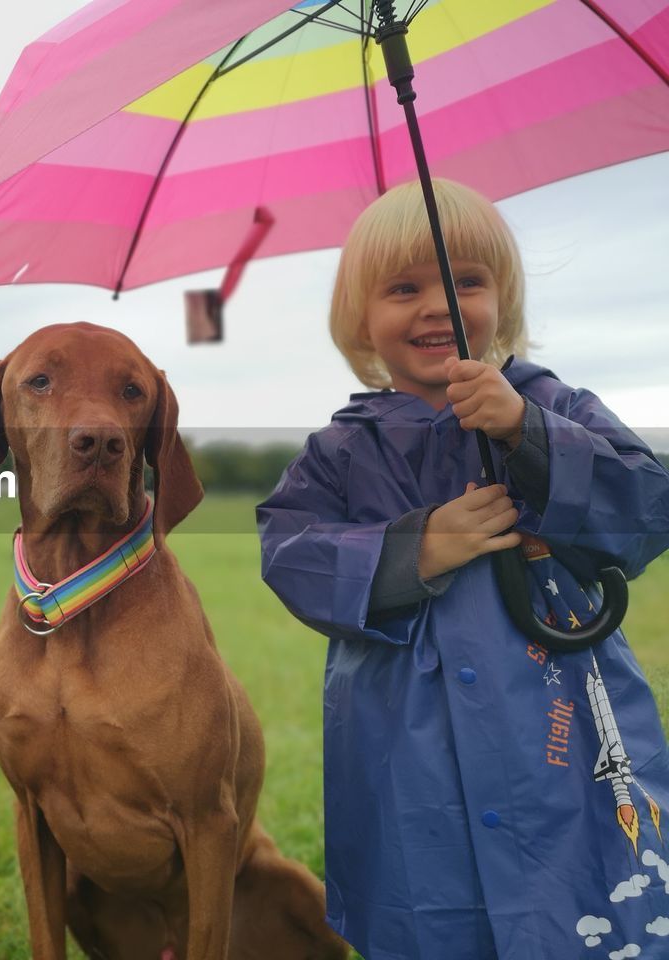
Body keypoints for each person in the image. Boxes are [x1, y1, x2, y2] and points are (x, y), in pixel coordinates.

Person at [257, 178, 669, 959]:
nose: (436, 307)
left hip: (559, 725)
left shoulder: (553, 406)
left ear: (501, 298)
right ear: (361, 319)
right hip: (405, 746)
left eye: (462, 282)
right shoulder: (343, 451)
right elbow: (290, 553)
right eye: (403, 288)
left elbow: (648, 507)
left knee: (582, 899)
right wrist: (419, 548)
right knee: (428, 905)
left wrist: (528, 433)